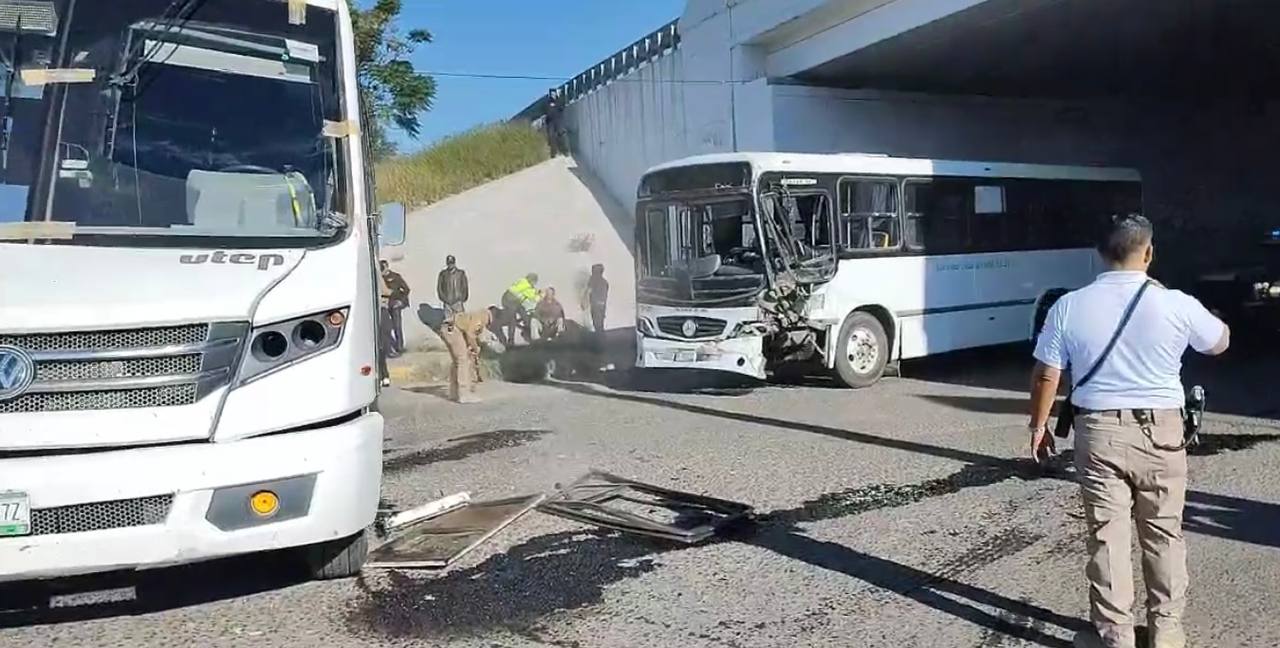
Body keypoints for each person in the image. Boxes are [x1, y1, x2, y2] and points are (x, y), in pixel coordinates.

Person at [1027, 214, 1230, 648]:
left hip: (1098, 432)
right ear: (1150, 252)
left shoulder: (1069, 305)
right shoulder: (1176, 302)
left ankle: (1115, 637)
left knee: (1107, 537)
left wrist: (1039, 426)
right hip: (1162, 432)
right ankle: (1167, 632)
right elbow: (1219, 342)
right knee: (1163, 533)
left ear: (1099, 253)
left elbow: (1047, 376)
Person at [453, 308, 496, 386]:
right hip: (455, 329)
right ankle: (463, 385)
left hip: (460, 329)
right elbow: (470, 335)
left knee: (469, 355)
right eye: (488, 322)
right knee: (462, 357)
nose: (487, 325)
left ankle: (472, 378)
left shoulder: (478, 316)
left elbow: (473, 334)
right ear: (487, 318)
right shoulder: (479, 320)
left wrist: (474, 346)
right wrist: (475, 348)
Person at [500, 272, 540, 346]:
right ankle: (511, 340)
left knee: (523, 315)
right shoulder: (527, 286)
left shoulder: (522, 281)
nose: (534, 284)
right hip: (510, 302)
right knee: (512, 320)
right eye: (534, 282)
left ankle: (526, 331)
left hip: (510, 300)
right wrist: (540, 294)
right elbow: (534, 298)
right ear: (532, 281)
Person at [380, 261, 410, 356]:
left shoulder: (396, 277)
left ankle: (399, 346)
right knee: (386, 327)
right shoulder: (379, 278)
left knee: (397, 326)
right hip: (384, 305)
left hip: (394, 305)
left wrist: (401, 301)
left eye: (383, 268)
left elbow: (406, 289)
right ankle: (387, 347)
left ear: (387, 267)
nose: (383, 271)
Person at [586, 263, 609, 333]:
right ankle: (601, 337)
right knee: (600, 323)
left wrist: (584, 301)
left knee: (596, 324)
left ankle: (599, 338)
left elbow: (588, 291)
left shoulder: (592, 280)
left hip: (595, 305)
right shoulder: (605, 282)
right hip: (602, 305)